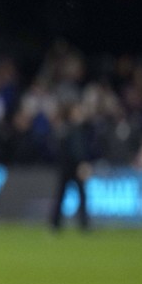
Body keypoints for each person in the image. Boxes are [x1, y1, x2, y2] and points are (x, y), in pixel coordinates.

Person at [50, 99, 93, 232]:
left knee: (70, 195)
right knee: (70, 195)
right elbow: (75, 150)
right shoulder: (71, 129)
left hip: (68, 167)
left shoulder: (74, 129)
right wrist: (82, 163)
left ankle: (59, 224)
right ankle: (61, 223)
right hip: (71, 167)